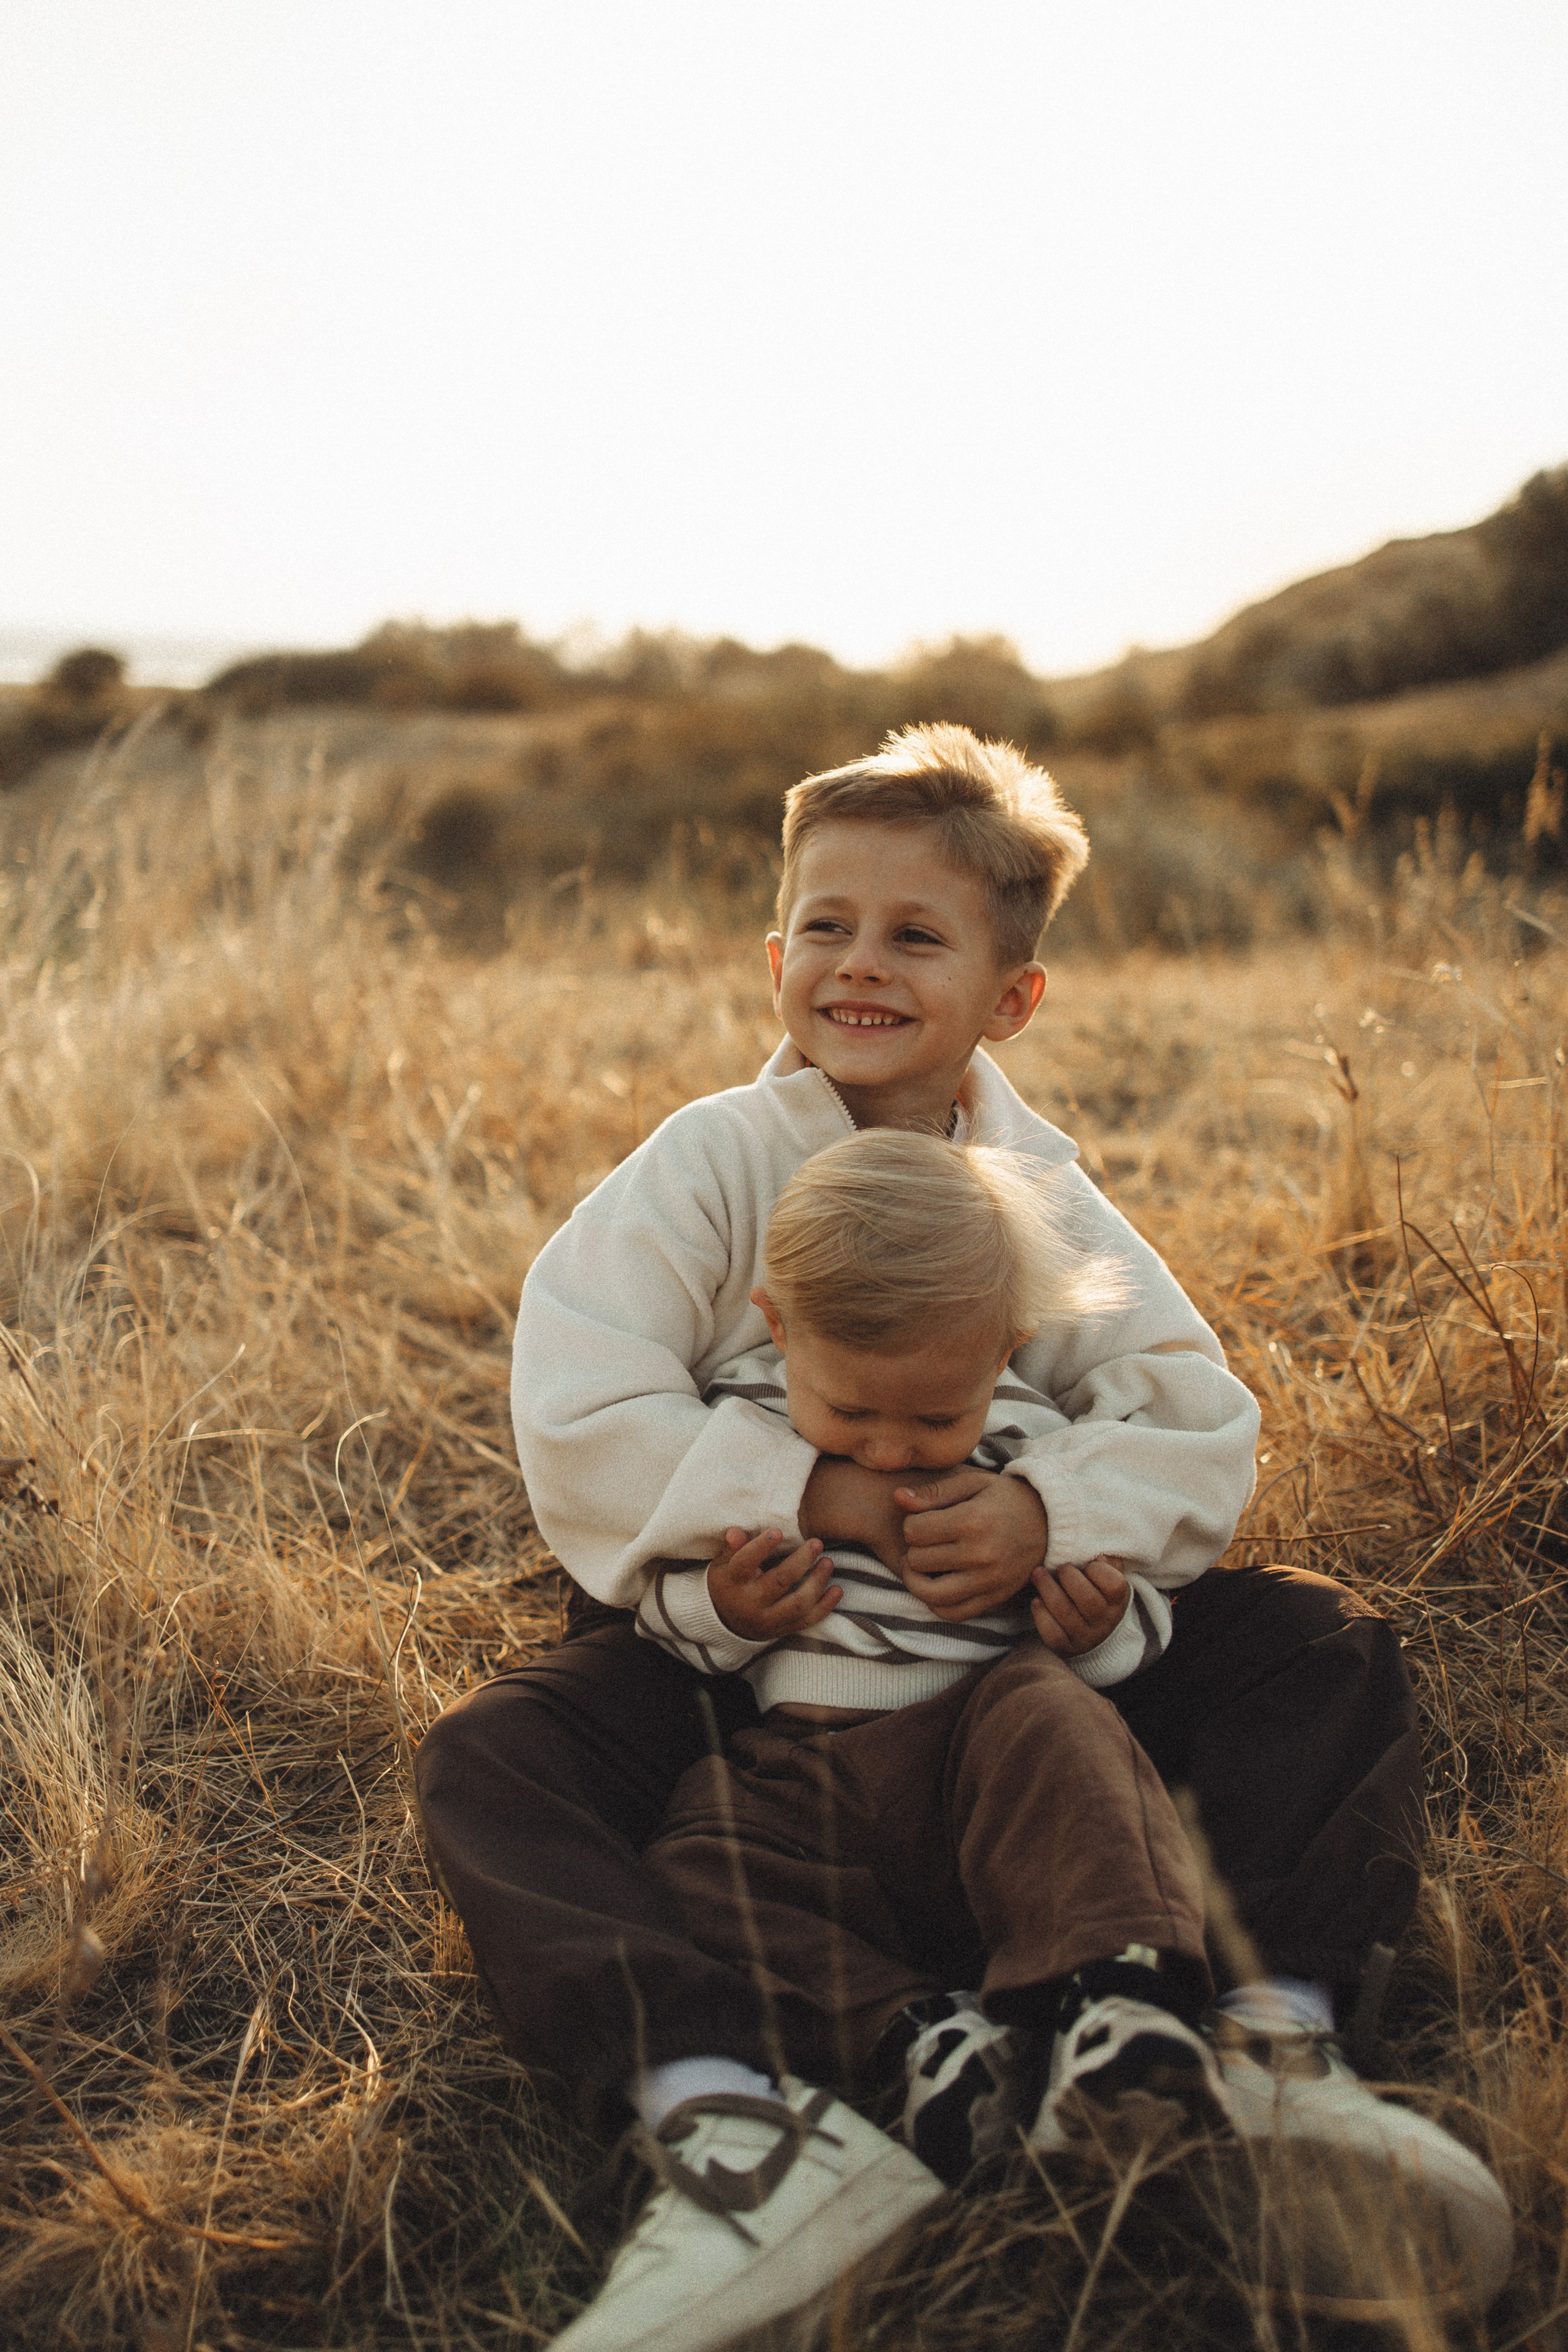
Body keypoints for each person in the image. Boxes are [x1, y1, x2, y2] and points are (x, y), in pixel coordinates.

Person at [414, 725, 1513, 2349]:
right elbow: (580, 1398)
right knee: (499, 1758)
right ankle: (735, 2118)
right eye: (826, 926)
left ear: (1012, 995)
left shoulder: (1040, 1190)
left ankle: (1263, 2050)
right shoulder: (710, 1164)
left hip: (1003, 1641)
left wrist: (1043, 1517)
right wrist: (812, 1504)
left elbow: (1195, 1421)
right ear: (773, 952)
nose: (858, 964)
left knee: (1318, 1645)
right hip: (751, 1624)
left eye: (916, 934)